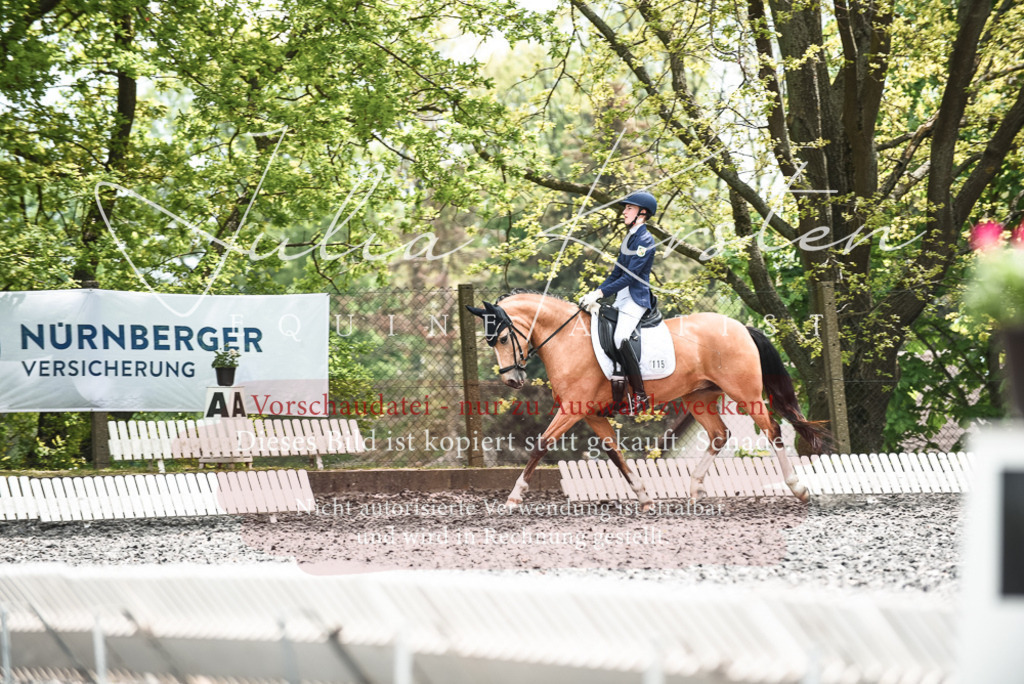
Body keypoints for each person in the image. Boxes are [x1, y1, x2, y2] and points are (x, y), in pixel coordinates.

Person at [579, 191, 658, 412]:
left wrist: (601, 294)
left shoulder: (645, 240)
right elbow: (616, 275)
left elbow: (629, 277)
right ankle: (615, 394)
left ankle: (640, 396)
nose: (624, 211)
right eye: (626, 208)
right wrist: (595, 293)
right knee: (601, 334)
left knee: (620, 337)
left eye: (629, 208)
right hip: (621, 299)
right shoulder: (630, 238)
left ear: (642, 214)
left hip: (636, 298)